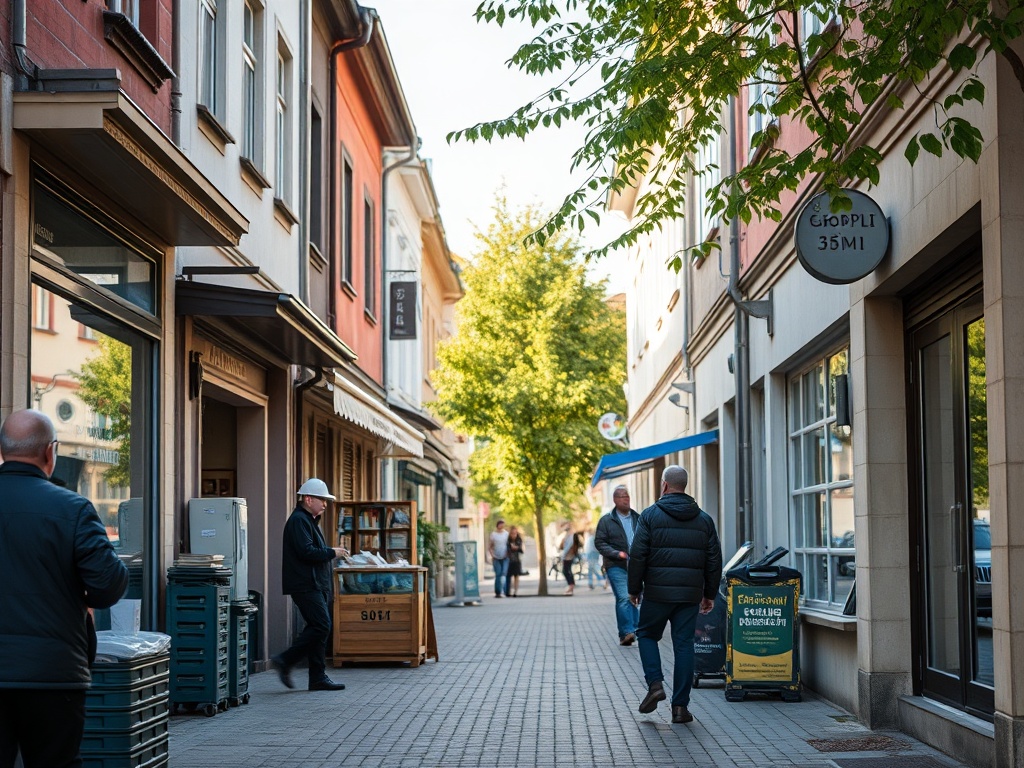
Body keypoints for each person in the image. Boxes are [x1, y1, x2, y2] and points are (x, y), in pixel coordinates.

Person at [0, 409, 129, 767]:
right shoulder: (72, 509)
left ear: (2, 450)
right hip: (53, 673)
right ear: (49, 453)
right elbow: (109, 584)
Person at [628, 465, 722, 725]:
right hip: (689, 595)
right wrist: (709, 593)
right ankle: (680, 708)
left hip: (657, 592)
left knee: (646, 634)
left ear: (664, 485)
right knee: (684, 645)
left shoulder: (649, 516)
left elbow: (638, 555)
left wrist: (634, 589)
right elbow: (714, 559)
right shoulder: (704, 519)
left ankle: (655, 683)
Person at [272, 478, 348, 692]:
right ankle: (285, 660)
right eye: (322, 500)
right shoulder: (299, 521)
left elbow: (311, 551)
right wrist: (333, 552)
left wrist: (330, 552)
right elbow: (307, 552)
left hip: (315, 583)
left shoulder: (308, 521)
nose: (325, 504)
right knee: (322, 625)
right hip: (306, 584)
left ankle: (317, 677)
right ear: (308, 499)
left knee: (319, 628)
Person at [595, 485, 641, 645]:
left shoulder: (638, 518)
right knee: (623, 597)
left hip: (636, 565)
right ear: (615, 500)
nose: (626, 498)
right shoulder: (607, 521)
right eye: (622, 496)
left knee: (635, 597)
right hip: (616, 565)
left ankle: (632, 631)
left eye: (627, 495)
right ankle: (628, 631)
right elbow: (600, 543)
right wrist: (617, 553)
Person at [488, 519, 510, 598]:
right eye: (500, 524)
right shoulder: (493, 534)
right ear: (497, 525)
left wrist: (507, 553)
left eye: (503, 524)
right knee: (498, 574)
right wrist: (492, 555)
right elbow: (490, 546)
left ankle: (504, 591)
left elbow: (508, 545)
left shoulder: (506, 534)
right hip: (496, 557)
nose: (502, 526)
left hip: (505, 557)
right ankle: (498, 592)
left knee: (504, 573)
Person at [558, 522, 580, 596]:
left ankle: (571, 586)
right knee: (567, 570)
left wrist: (563, 555)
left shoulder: (571, 536)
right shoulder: (568, 535)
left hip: (568, 556)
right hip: (567, 555)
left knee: (566, 570)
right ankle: (571, 586)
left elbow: (568, 546)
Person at [506, 525, 524, 597]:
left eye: (515, 533)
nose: (514, 535)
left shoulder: (519, 540)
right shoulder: (507, 540)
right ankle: (508, 591)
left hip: (517, 561)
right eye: (512, 533)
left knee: (516, 576)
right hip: (509, 561)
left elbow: (521, 549)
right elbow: (508, 549)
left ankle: (515, 592)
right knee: (509, 576)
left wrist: (516, 548)